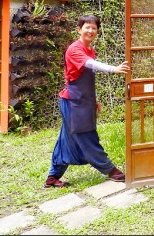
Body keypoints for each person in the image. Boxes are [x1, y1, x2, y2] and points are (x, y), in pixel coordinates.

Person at [45, 15, 130, 188]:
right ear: (79, 29)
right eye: (87, 27)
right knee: (87, 137)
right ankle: (111, 171)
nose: (90, 31)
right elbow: (91, 65)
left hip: (83, 102)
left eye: (94, 28)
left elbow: (88, 78)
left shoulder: (89, 49)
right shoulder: (75, 49)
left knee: (65, 140)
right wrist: (113, 69)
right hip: (73, 103)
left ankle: (52, 178)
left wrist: (95, 99)